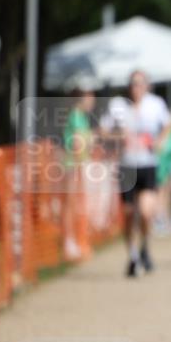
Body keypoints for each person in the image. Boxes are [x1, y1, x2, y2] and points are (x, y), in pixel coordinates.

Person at [114, 70, 171, 278]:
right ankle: (132, 256)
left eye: (139, 83)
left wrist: (159, 141)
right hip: (127, 166)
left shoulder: (155, 104)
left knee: (146, 212)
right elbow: (103, 130)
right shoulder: (118, 106)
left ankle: (145, 246)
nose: (135, 87)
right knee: (129, 214)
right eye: (132, 83)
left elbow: (168, 125)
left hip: (148, 165)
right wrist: (119, 136)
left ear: (147, 86)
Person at [62, 82, 97, 260]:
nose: (93, 100)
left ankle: (75, 240)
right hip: (71, 166)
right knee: (70, 204)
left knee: (75, 204)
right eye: (90, 96)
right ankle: (69, 242)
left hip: (76, 165)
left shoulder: (81, 116)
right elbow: (76, 144)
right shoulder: (76, 115)